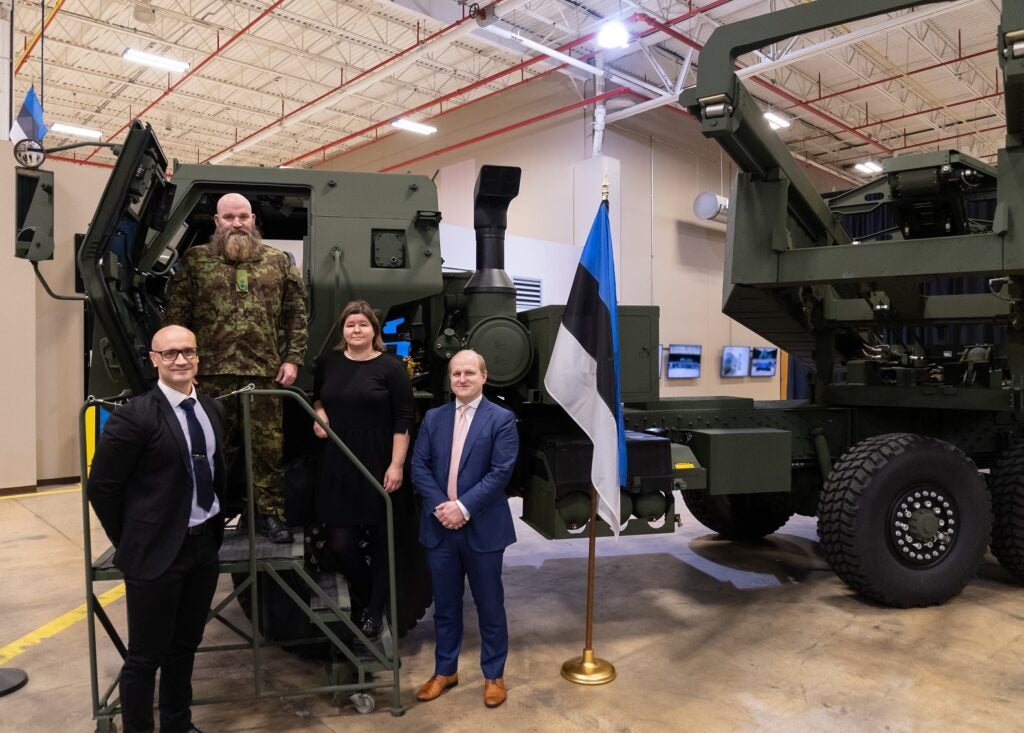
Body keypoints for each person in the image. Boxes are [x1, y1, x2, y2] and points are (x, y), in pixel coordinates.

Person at [87, 325, 226, 733]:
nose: (180, 360)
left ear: (198, 356)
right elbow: (103, 488)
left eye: (188, 352)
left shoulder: (212, 410)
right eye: (170, 354)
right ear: (153, 360)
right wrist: (132, 538)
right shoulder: (134, 417)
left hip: (203, 550)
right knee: (145, 656)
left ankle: (178, 725)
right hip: (157, 553)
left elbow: (218, 473)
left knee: (185, 646)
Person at [163, 192, 308, 543]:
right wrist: (182, 367)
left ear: (253, 220)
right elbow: (177, 320)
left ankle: (270, 515)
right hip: (210, 377)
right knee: (211, 449)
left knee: (267, 450)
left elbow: (296, 316)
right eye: (228, 217)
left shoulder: (278, 262)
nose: (237, 223)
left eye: (243, 216)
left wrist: (293, 359)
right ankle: (210, 515)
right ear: (217, 222)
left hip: (264, 375)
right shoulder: (196, 262)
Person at [411, 350, 519, 708]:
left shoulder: (501, 419)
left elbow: (500, 472)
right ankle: (445, 671)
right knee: (445, 606)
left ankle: (493, 676)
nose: (462, 378)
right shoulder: (433, 418)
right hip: (441, 527)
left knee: (489, 605)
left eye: (469, 372)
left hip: (483, 528)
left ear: (484, 376)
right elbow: (419, 466)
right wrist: (444, 508)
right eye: (456, 373)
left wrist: (463, 508)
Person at [312, 300, 414, 637]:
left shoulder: (391, 367)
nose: (356, 330)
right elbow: (318, 398)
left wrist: (397, 465)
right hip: (339, 460)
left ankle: (372, 610)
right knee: (341, 541)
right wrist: (321, 415)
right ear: (343, 330)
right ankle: (371, 595)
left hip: (379, 459)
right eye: (350, 325)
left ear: (374, 330)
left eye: (363, 324)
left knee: (383, 539)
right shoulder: (329, 362)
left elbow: (403, 418)